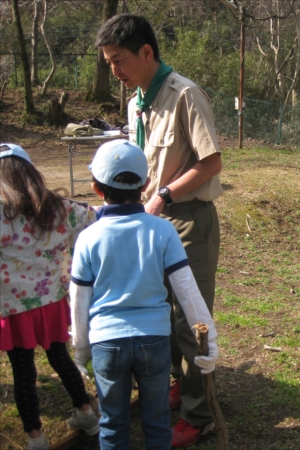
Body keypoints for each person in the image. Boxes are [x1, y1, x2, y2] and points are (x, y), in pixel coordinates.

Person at [94, 14, 223, 447]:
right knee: (161, 313)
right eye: (109, 62)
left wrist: (164, 194)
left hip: (187, 220)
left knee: (190, 319)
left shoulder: (185, 94)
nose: (115, 71)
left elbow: (211, 162)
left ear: (146, 52)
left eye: (119, 61)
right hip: (150, 221)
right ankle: (179, 385)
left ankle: (198, 413)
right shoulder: (136, 102)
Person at [69, 139, 218, 450]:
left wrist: (81, 350)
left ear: (97, 189)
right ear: (147, 184)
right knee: (156, 420)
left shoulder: (87, 238)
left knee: (112, 424)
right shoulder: (163, 231)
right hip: (154, 340)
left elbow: (79, 300)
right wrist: (209, 342)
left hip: (106, 344)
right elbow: (187, 289)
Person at [0, 143, 99, 450]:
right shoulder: (56, 207)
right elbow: (92, 218)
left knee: (23, 373)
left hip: (13, 306)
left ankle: (36, 438)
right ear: (31, 170)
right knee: (60, 357)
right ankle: (87, 414)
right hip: (52, 300)